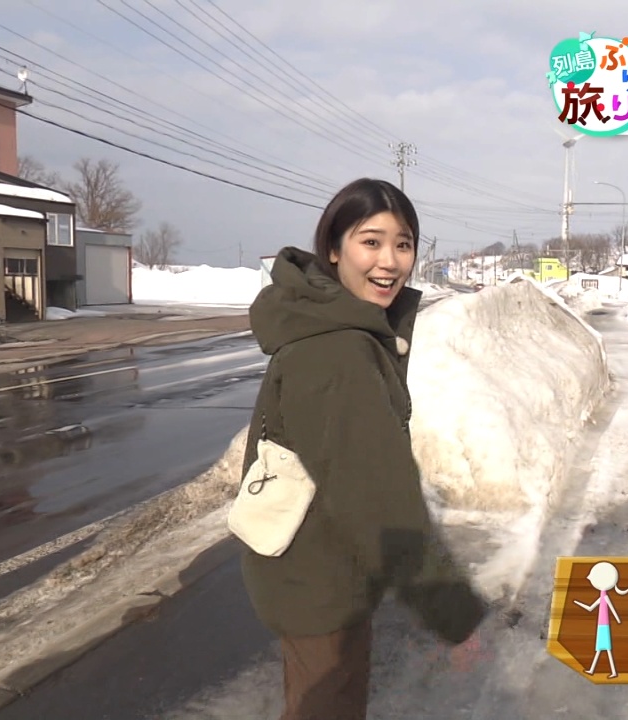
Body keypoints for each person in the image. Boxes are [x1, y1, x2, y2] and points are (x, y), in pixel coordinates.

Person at [241, 178, 487, 719]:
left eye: (403, 244)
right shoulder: (338, 350)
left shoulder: (336, 326)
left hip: (317, 565)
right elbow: (380, 499)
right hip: (320, 580)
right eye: (370, 241)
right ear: (334, 248)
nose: (390, 261)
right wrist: (451, 611)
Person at [573, 561, 628, 678]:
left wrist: (618, 619)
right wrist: (578, 603)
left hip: (604, 626)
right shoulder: (602, 597)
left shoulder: (605, 597)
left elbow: (611, 609)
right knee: (601, 648)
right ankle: (594, 669)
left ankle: (610, 671)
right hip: (601, 626)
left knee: (606, 648)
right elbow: (590, 608)